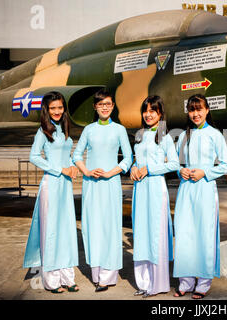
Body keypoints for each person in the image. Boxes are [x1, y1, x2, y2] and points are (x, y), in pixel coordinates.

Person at [73, 89, 133, 292]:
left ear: (113, 106)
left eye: (108, 104)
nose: (105, 107)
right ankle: (96, 273)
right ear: (95, 107)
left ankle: (108, 276)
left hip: (111, 184)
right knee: (92, 226)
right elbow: (77, 156)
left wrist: (111, 172)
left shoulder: (119, 130)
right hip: (91, 185)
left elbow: (128, 158)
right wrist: (87, 171)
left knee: (110, 226)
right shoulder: (88, 129)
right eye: (101, 104)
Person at [173, 94, 227, 299]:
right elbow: (177, 163)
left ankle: (203, 283)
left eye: (199, 109)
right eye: (191, 110)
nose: (195, 114)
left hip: (205, 189)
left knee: (204, 235)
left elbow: (226, 164)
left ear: (207, 110)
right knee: (184, 234)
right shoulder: (183, 136)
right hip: (186, 190)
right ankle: (186, 281)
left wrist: (205, 172)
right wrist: (181, 170)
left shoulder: (215, 135)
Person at [23, 91, 79, 294]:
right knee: (52, 232)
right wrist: (59, 169)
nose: (57, 111)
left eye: (60, 107)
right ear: (46, 110)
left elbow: (67, 155)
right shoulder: (43, 131)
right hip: (51, 185)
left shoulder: (63, 129)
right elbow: (34, 156)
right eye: (53, 108)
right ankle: (52, 280)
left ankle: (67, 277)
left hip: (65, 186)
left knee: (66, 231)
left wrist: (72, 166)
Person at [130, 95, 179, 298]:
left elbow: (174, 164)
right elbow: (137, 159)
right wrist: (133, 167)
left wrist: (149, 169)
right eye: (145, 110)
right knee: (141, 233)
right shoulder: (139, 134)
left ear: (160, 114)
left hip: (156, 188)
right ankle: (143, 282)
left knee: (156, 234)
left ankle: (158, 283)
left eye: (153, 111)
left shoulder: (164, 136)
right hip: (139, 189)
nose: (148, 114)